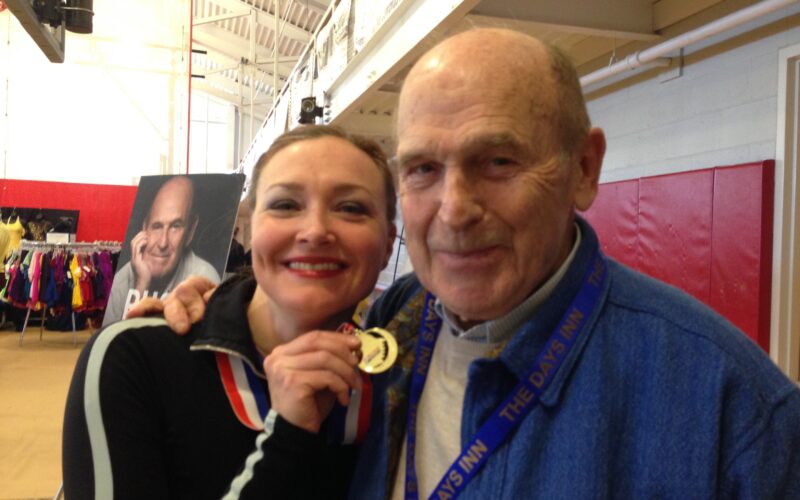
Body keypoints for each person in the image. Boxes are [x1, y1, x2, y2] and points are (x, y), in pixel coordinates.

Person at [135, 28, 800, 498]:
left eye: (498, 161)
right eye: (424, 168)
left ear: (583, 168)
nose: (454, 210)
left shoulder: (732, 408)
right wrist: (213, 307)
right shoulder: (390, 328)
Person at [62, 125, 397, 498]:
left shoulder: (399, 376)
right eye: (285, 205)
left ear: (387, 244)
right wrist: (287, 439)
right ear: (252, 231)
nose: (315, 231)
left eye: (351, 208)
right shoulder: (133, 358)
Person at [102, 176, 221, 326]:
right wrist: (142, 284)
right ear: (145, 227)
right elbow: (114, 338)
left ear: (191, 230)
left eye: (175, 226)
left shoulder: (205, 278)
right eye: (157, 226)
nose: (163, 243)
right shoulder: (122, 280)